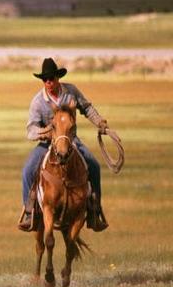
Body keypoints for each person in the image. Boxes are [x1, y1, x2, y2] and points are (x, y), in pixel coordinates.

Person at [18, 57, 109, 232]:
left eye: (51, 78)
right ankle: (29, 212)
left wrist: (99, 122)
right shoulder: (38, 101)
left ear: (57, 78)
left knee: (95, 166)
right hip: (48, 145)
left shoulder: (71, 91)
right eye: (45, 79)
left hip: (72, 142)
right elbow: (30, 130)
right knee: (28, 170)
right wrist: (44, 132)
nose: (49, 82)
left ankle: (95, 211)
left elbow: (87, 108)